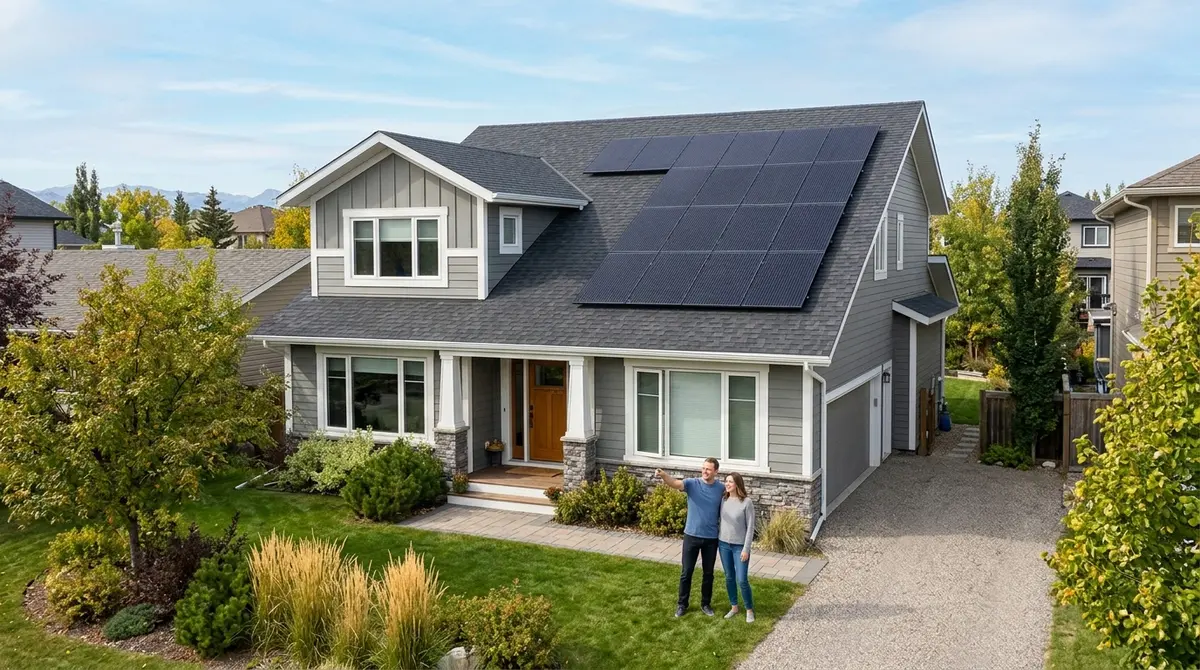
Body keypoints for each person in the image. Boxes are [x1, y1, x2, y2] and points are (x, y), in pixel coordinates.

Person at [656, 458, 723, 618]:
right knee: (686, 572)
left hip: (711, 538)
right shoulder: (692, 484)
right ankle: (682, 605)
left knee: (708, 574)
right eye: (703, 468)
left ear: (716, 471)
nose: (705, 471)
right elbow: (675, 483)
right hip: (691, 536)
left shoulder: (720, 488)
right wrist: (664, 475)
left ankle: (705, 604)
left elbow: (733, 496)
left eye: (708, 469)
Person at [719, 472, 755, 622]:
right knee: (729, 577)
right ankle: (734, 607)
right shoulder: (723, 500)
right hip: (723, 544)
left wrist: (746, 549)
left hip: (739, 546)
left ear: (737, 484)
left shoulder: (746, 502)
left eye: (730, 482)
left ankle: (749, 609)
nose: (727, 484)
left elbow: (750, 527)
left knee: (742, 579)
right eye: (726, 481)